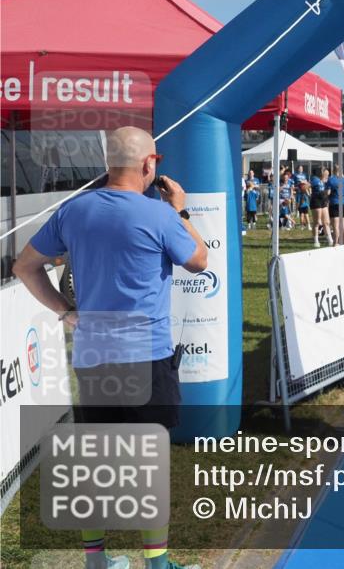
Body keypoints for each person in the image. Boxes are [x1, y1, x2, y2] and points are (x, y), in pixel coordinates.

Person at [12, 126, 207, 569]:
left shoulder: (74, 210)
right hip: (147, 354)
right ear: (149, 164)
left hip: (93, 355)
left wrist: (65, 312)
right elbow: (198, 260)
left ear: (107, 162)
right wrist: (182, 210)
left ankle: (96, 561)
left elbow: (26, 266)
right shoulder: (160, 215)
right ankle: (157, 564)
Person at [327, 165, 344, 245]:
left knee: (335, 225)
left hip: (335, 202)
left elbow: (328, 193)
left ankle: (335, 243)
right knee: (343, 224)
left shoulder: (331, 180)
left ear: (333, 170)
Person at [310, 169, 333, 247]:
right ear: (322, 173)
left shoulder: (327, 180)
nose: (328, 175)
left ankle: (330, 240)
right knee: (317, 222)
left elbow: (328, 192)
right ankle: (316, 240)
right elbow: (306, 186)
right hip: (316, 201)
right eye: (326, 174)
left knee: (326, 222)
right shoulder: (315, 179)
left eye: (328, 174)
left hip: (324, 200)